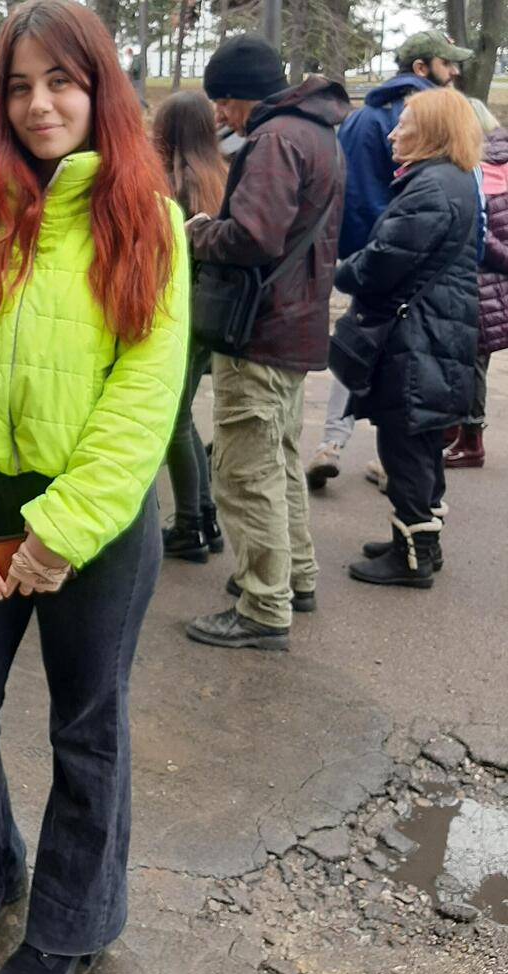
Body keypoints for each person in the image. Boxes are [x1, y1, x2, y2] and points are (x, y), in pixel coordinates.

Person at [0, 2, 188, 974]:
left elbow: (145, 396)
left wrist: (64, 530)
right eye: (19, 86)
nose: (39, 104)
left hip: (95, 518)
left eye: (61, 81)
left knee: (87, 728)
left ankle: (72, 921)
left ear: (99, 89)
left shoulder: (147, 221)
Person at [184, 36, 347, 650]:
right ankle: (294, 577)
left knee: (245, 471)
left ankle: (262, 606)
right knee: (278, 459)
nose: (220, 114)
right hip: (295, 323)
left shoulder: (275, 139)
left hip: (259, 328)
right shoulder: (317, 132)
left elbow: (252, 236)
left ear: (243, 94)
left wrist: (200, 233)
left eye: (223, 101)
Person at [305, 30, 474, 490]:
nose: (454, 71)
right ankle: (394, 463)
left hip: (368, 251)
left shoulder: (362, 116)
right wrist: (387, 252)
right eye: (447, 63)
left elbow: (347, 188)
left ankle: (332, 442)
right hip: (406, 257)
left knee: (357, 345)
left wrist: (357, 256)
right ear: (421, 68)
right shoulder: (431, 116)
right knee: (403, 364)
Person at [340, 88, 481, 587]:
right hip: (435, 329)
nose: (394, 134)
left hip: (419, 335)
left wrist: (343, 271)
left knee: (405, 443)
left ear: (435, 132)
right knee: (419, 441)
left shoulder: (431, 188)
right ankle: (421, 541)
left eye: (405, 125)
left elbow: (382, 261)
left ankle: (412, 557)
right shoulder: (450, 179)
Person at [152, 90, 227, 562]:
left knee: (175, 422)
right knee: (184, 418)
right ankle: (205, 516)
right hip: (210, 312)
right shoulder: (221, 176)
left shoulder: (169, 186)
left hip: (179, 313)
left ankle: (190, 525)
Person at [444, 110, 507, 468]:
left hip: (479, 275)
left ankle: (469, 439)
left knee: (470, 359)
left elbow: (480, 227)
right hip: (495, 280)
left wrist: (490, 249)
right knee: (474, 359)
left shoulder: (478, 168)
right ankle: (464, 433)